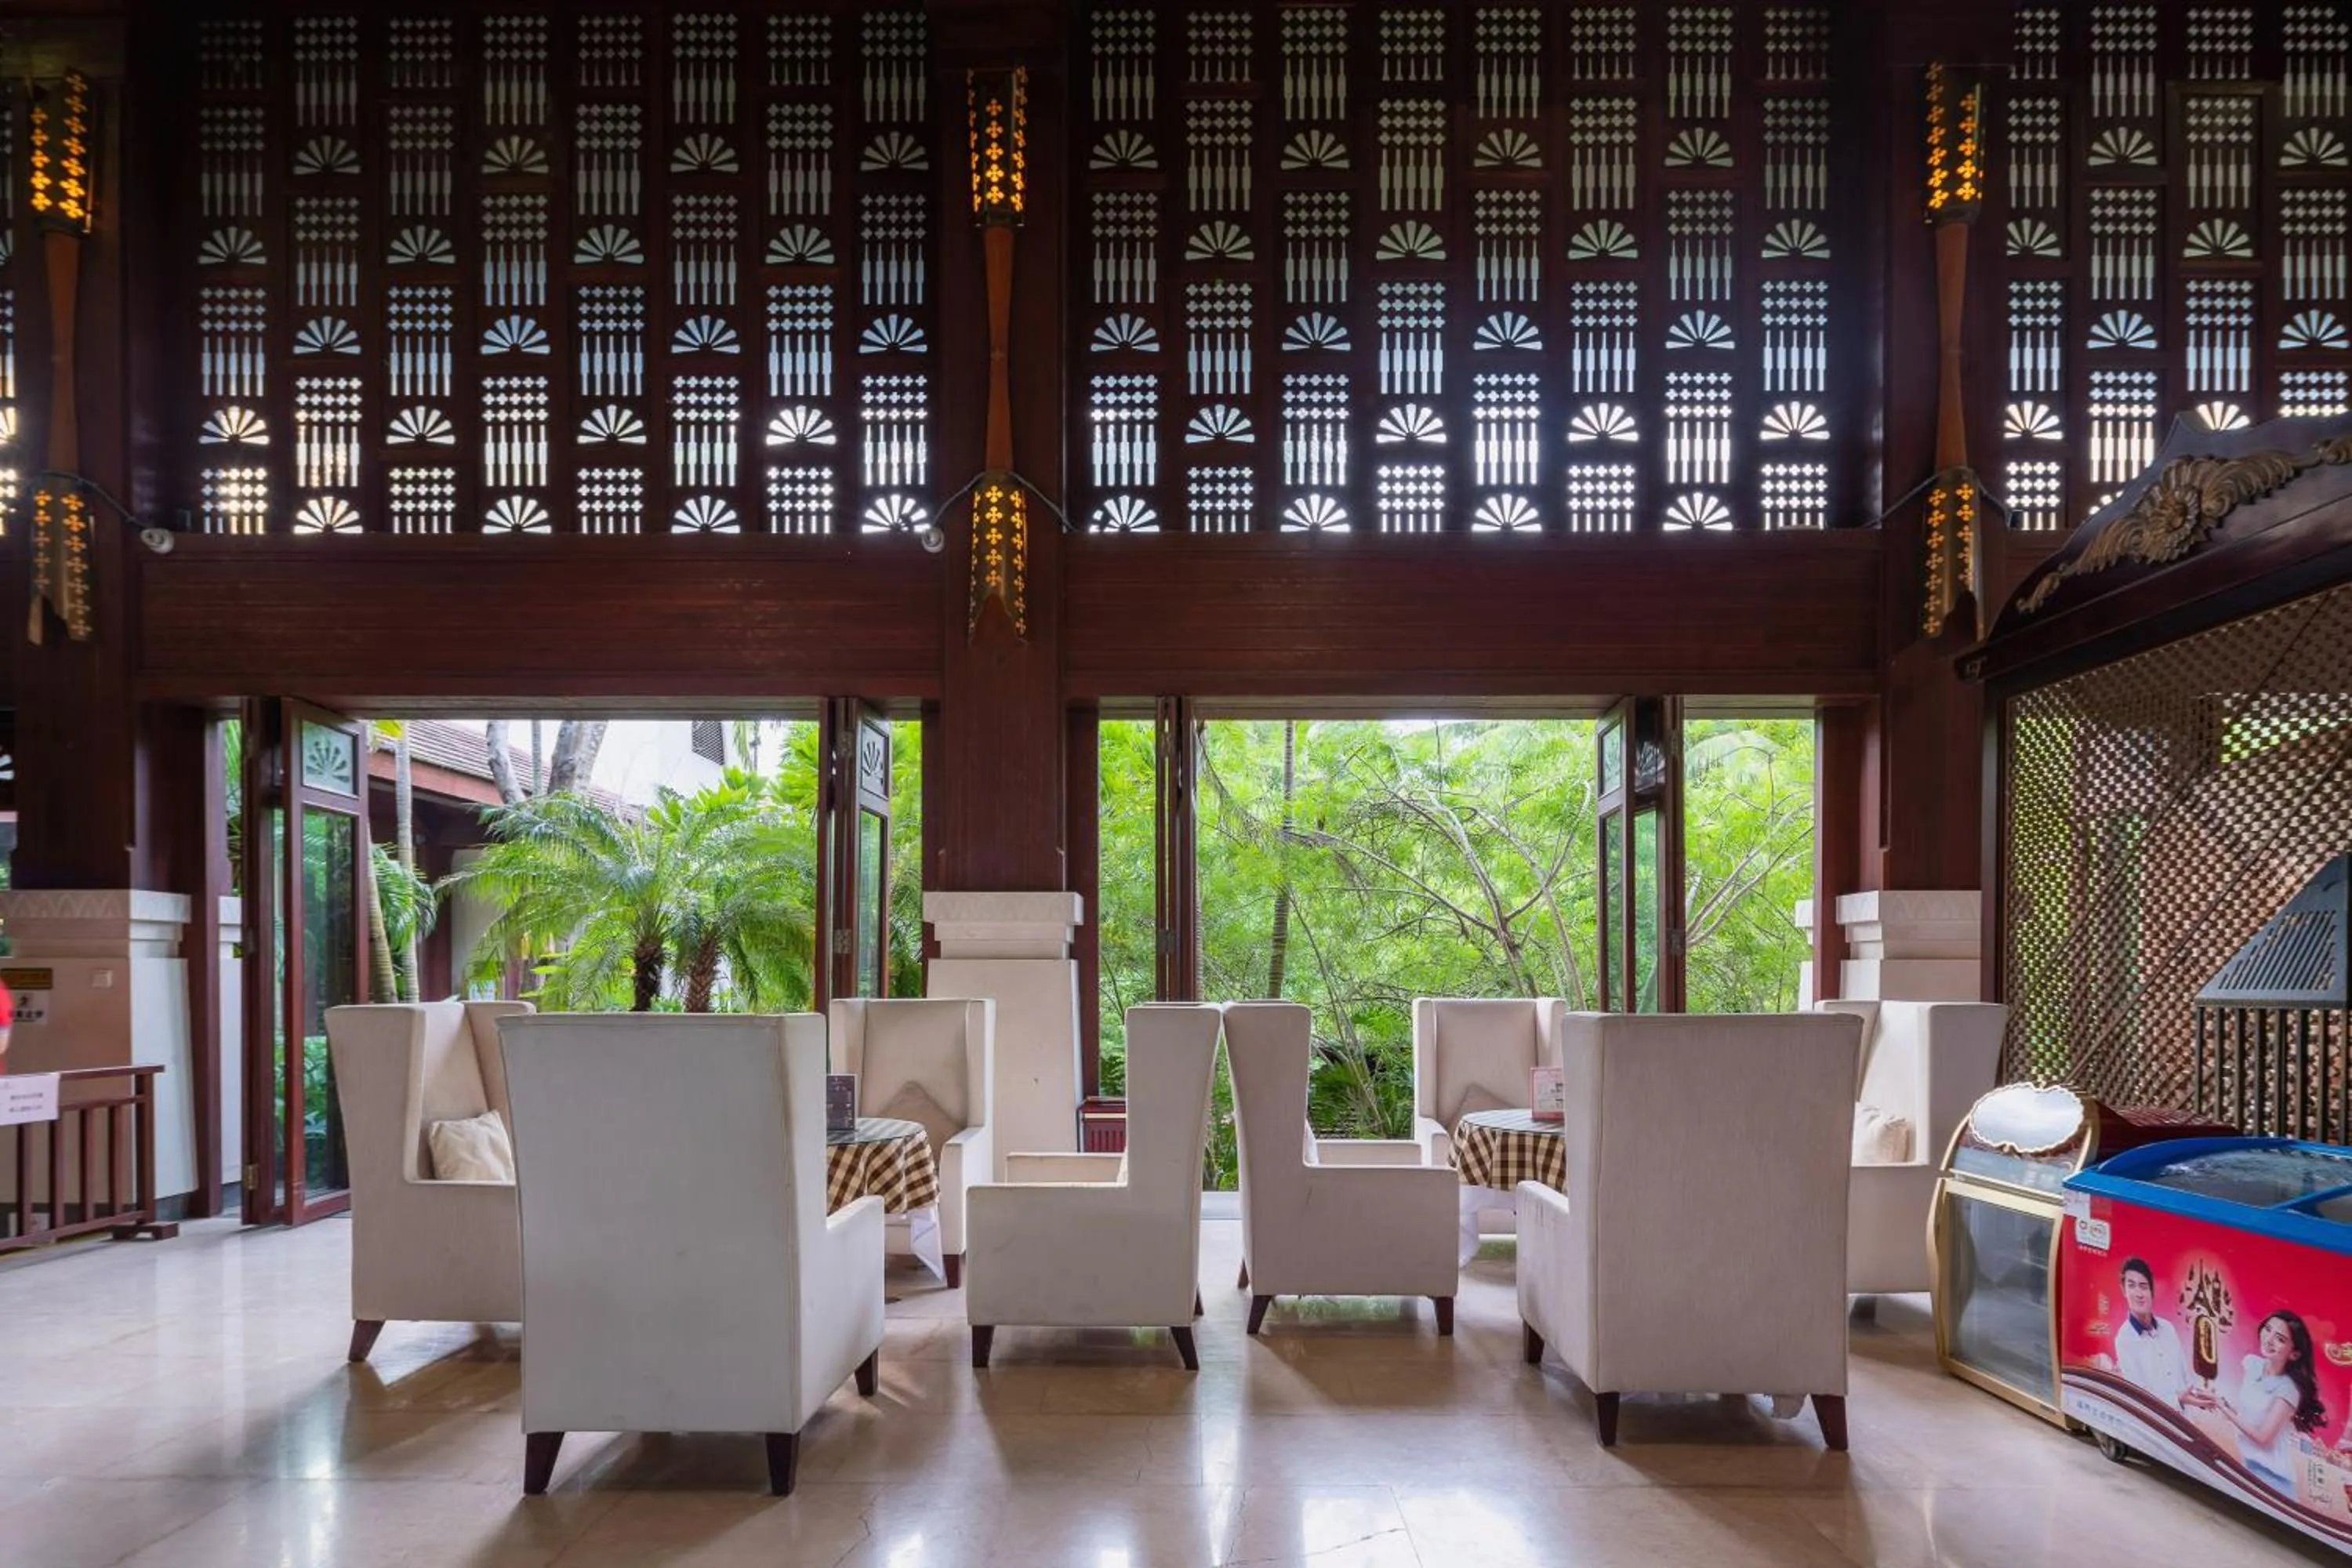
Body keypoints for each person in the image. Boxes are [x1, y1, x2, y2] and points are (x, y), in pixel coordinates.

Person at [2186, 1308, 2328, 1494]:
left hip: (2274, 1477)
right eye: (2268, 1329)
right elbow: (2247, 1416)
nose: (2269, 1339)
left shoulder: (2288, 1389)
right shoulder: (2252, 1365)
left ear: (2294, 1354)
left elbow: (2263, 1438)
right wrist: (2219, 1401)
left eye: (2280, 1339)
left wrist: (2221, 1406)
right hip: (2247, 1464)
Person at [2111, 1257, 2188, 1407]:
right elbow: (2139, 1398)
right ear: (2124, 1290)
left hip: (2186, 1417)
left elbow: (2185, 1376)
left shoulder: (2168, 1328)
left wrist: (2199, 1397)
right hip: (2156, 1419)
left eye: (2143, 1286)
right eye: (2132, 1286)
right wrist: (2178, 1399)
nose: (2139, 1294)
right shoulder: (2124, 1340)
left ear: (2152, 1291)